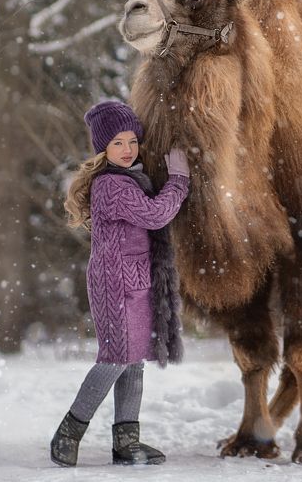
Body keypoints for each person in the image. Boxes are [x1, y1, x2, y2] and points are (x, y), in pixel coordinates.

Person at [50, 100, 190, 467]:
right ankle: (69, 431)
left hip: (137, 282)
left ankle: (127, 442)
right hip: (115, 286)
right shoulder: (112, 185)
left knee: (134, 362)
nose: (127, 150)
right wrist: (179, 179)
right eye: (117, 143)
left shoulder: (130, 178)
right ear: (103, 150)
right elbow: (157, 214)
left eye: (132, 141)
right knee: (114, 359)